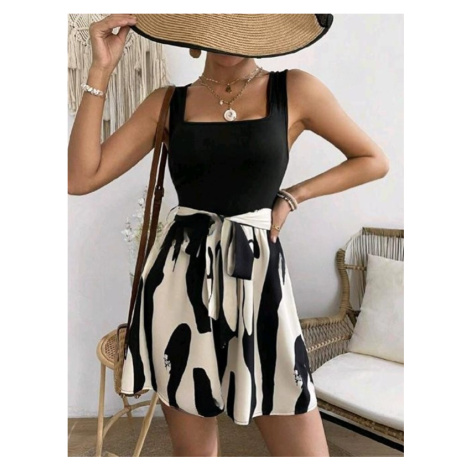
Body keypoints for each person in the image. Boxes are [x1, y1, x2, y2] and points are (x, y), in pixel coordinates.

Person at [68, 14, 390, 457]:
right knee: (196, 454)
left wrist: (293, 196)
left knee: (304, 448)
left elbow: (372, 160)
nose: (227, 36)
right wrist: (101, 70)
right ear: (196, 33)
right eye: (216, 21)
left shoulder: (294, 89)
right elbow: (81, 176)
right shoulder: (168, 102)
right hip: (179, 289)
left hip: (258, 284)